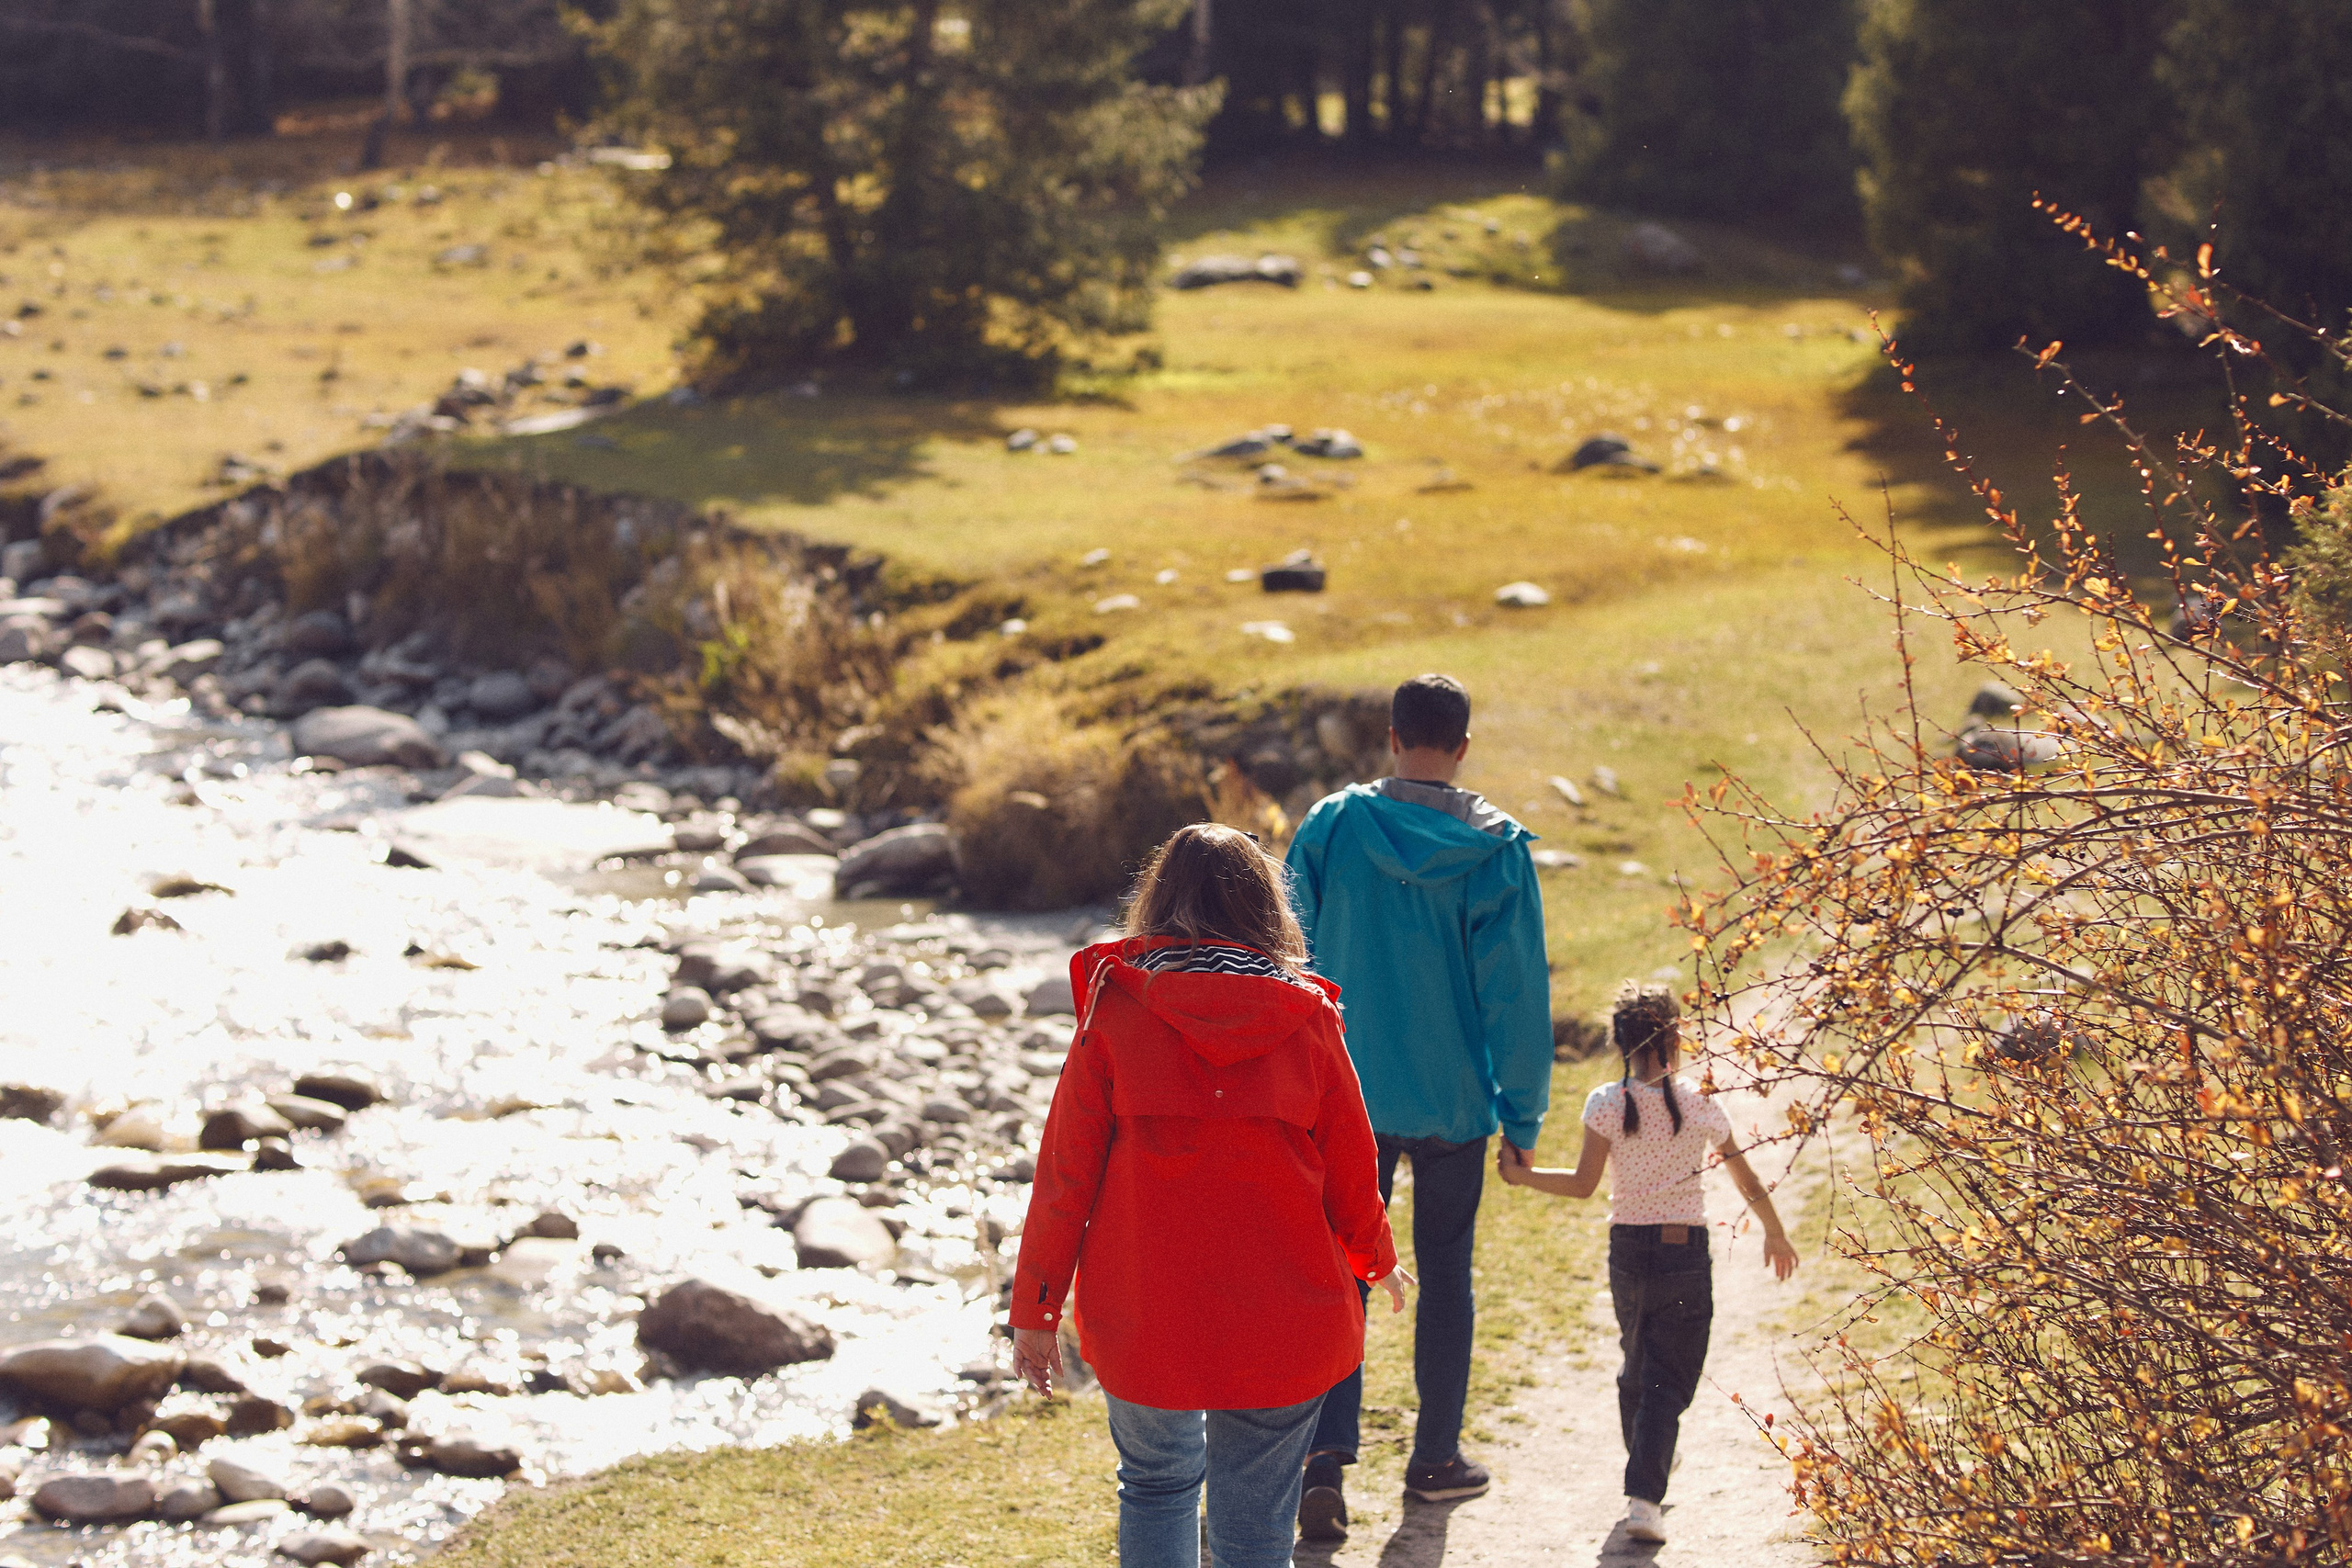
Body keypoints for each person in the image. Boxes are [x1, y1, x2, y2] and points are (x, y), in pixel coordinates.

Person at [1007, 823, 1408, 1568]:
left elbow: (1066, 1175)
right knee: (1255, 1533)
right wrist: (1377, 1259)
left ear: (1158, 899)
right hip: (1285, 1315)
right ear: (1265, 908)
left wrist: (1036, 1307)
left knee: (1155, 1487)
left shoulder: (1115, 1011)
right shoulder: (1310, 1018)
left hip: (1144, 1312)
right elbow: (1355, 1170)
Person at [1283, 672, 1554, 1540]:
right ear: (1463, 746)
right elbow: (1515, 995)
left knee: (1338, 1274)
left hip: (1341, 1096)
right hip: (1452, 1102)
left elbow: (1288, 953)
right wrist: (1523, 1119)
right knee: (1447, 1275)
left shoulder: (1331, 827)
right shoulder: (1497, 849)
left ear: (1393, 736)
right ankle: (1435, 1458)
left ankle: (1322, 1461)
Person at [1496, 983, 1799, 1545]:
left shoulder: (1605, 1103)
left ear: (1620, 1043)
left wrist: (1521, 1176)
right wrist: (1775, 1234)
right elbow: (1746, 1177)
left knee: (1638, 1362)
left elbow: (1584, 1185)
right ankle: (1645, 1498)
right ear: (1675, 1037)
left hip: (1628, 1251)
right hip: (1684, 1254)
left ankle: (1647, 1458)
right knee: (1670, 1376)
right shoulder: (1702, 1100)